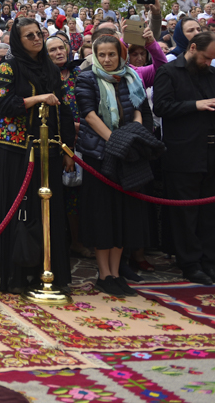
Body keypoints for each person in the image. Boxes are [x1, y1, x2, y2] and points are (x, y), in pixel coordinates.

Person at [0, 17, 76, 294]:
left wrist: (67, 149)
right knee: (21, 211)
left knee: (48, 212)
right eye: (29, 36)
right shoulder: (9, 65)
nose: (37, 39)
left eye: (39, 34)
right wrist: (38, 99)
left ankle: (46, 270)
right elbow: (3, 105)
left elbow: (63, 110)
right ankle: (17, 275)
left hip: (49, 148)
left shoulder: (50, 67)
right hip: (17, 151)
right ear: (18, 39)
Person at [153, 31, 215, 284]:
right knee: (186, 214)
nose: (208, 63)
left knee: (213, 212)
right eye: (205, 58)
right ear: (191, 48)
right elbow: (161, 107)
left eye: (212, 59)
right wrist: (195, 105)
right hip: (184, 154)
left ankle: (208, 262)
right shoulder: (168, 72)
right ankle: (190, 263)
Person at [75, 35, 151, 297]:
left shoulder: (130, 77)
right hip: (99, 154)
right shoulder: (86, 78)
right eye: (102, 55)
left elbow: (138, 109)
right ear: (95, 56)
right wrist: (115, 140)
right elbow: (89, 114)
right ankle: (104, 273)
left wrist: (134, 131)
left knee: (121, 214)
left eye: (112, 54)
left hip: (126, 154)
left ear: (120, 55)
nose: (107, 60)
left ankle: (117, 273)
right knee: (102, 215)